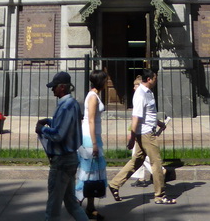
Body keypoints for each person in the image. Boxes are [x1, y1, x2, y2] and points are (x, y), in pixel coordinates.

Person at [108, 68, 176, 205]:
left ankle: (115, 184)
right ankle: (160, 196)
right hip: (145, 134)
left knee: (137, 161)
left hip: (147, 131)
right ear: (149, 79)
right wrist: (132, 138)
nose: (156, 79)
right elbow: (136, 118)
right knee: (156, 163)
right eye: (155, 77)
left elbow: (148, 114)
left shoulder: (148, 92)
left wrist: (159, 123)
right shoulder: (140, 94)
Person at [36, 71, 90, 221]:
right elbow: (67, 127)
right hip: (70, 158)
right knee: (71, 203)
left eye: (54, 87)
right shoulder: (72, 104)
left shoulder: (66, 106)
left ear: (62, 88)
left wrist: (42, 129)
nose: (52, 90)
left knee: (53, 208)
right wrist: (50, 121)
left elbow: (59, 134)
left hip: (62, 160)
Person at [76, 70, 108, 220]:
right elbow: (90, 120)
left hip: (93, 137)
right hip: (90, 139)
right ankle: (76, 202)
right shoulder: (93, 97)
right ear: (100, 81)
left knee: (93, 174)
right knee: (88, 173)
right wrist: (95, 143)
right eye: (105, 80)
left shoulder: (94, 95)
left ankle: (90, 207)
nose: (107, 82)